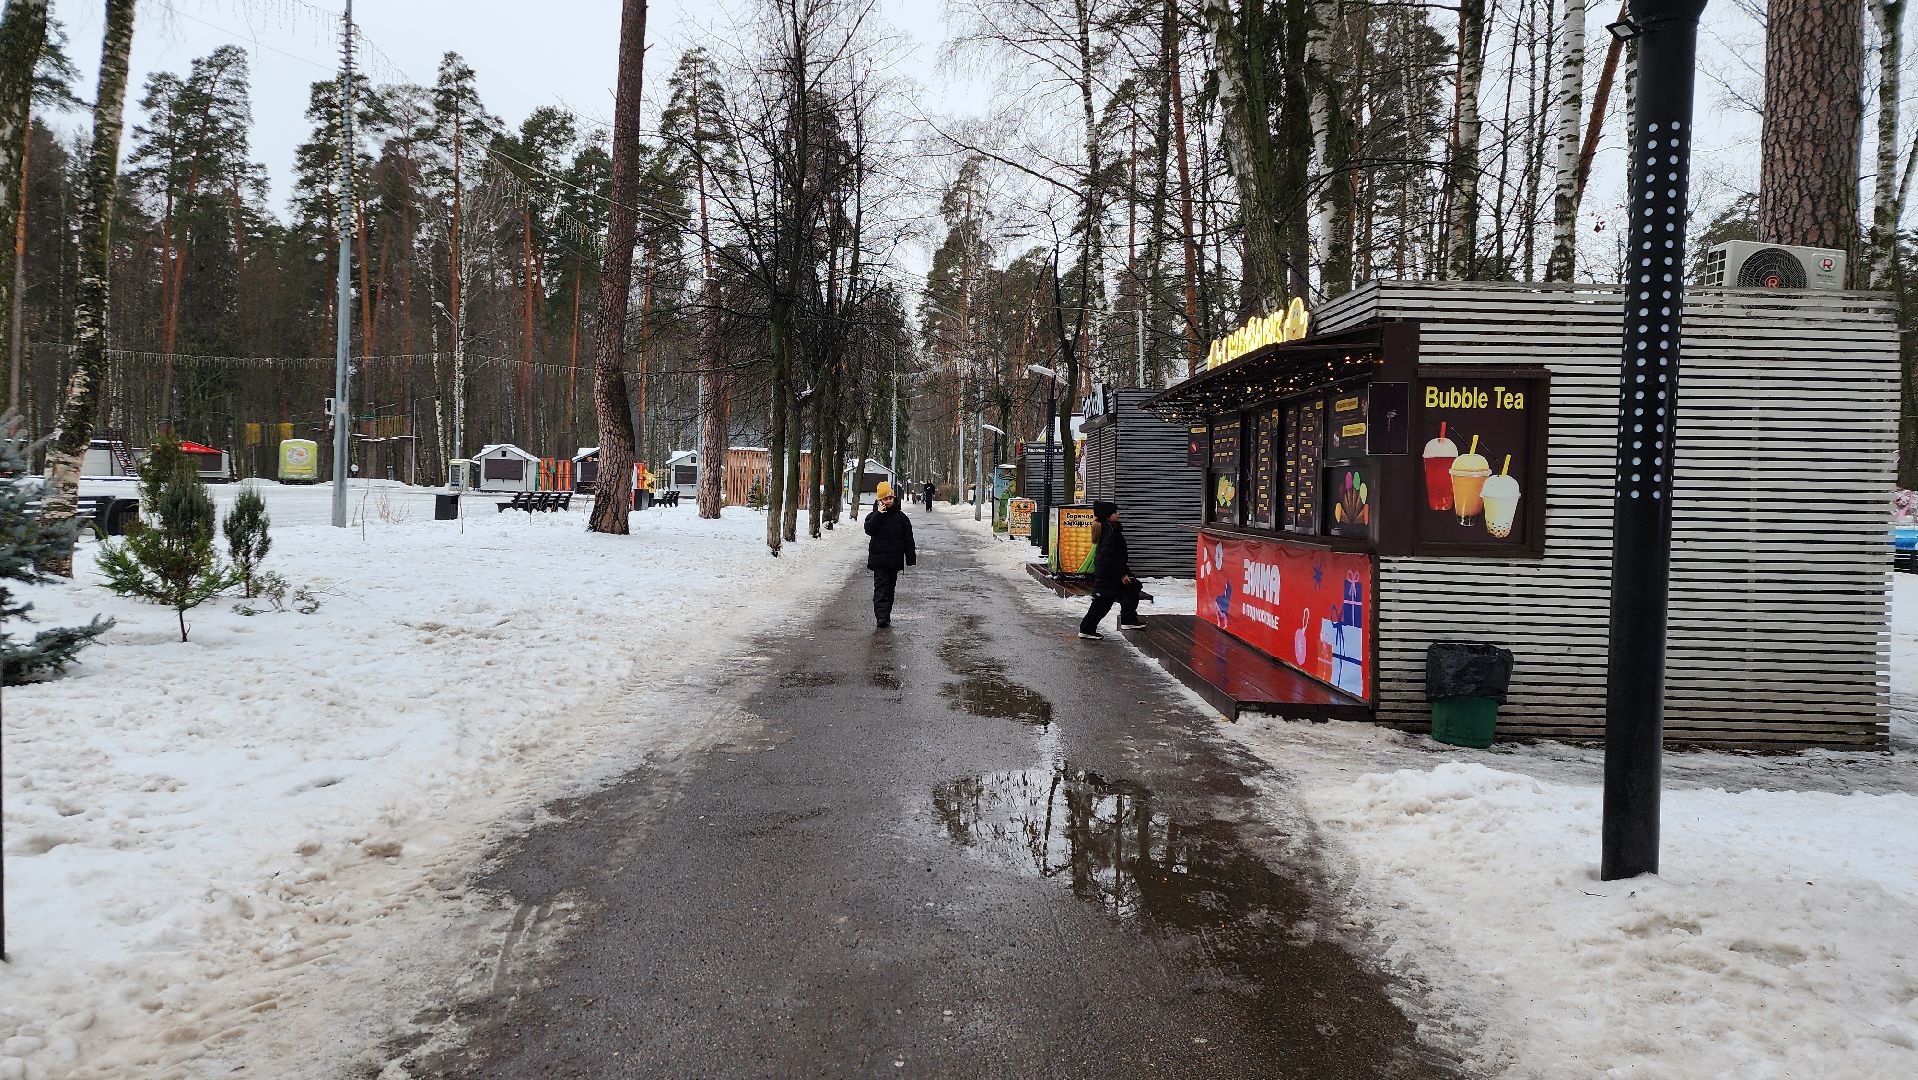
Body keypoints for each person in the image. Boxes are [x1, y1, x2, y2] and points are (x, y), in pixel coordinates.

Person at [1079, 500, 1144, 640]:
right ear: (1108, 515)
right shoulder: (1110, 532)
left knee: (1130, 588)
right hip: (1109, 573)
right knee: (1103, 603)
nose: (1118, 514)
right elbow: (1110, 556)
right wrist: (1122, 574)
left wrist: (1124, 572)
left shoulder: (1110, 529)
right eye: (1115, 512)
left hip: (1110, 571)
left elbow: (1115, 556)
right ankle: (1087, 629)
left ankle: (1128, 620)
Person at [864, 481, 916, 628]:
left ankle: (886, 614)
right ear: (879, 500)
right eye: (885, 499)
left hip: (894, 561)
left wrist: (910, 557)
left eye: (890, 498)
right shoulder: (873, 516)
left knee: (890, 589)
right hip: (879, 561)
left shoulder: (902, 518)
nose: (888, 501)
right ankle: (881, 617)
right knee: (881, 588)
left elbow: (908, 539)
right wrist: (878, 515)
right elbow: (869, 530)